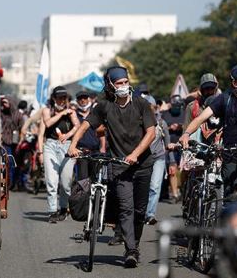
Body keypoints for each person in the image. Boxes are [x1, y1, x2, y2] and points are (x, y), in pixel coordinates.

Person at [68, 66, 156, 268]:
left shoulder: (142, 104)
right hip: (119, 166)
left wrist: (135, 154)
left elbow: (151, 133)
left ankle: (135, 243)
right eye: (119, 83)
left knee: (140, 211)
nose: (124, 86)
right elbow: (85, 125)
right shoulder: (104, 106)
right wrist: (73, 145)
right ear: (110, 85)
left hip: (143, 165)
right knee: (126, 208)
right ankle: (130, 250)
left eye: (126, 82)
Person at [181, 63, 237, 215]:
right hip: (231, 155)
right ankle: (228, 235)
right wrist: (186, 134)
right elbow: (201, 118)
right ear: (235, 83)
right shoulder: (224, 99)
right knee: (231, 200)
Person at [41, 86, 80, 223]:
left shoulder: (72, 112)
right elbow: (47, 122)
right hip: (50, 146)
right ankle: (52, 210)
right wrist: (61, 114)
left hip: (67, 146)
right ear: (54, 98)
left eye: (65, 98)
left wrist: (67, 135)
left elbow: (77, 126)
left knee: (66, 182)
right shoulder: (48, 110)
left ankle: (64, 208)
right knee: (52, 181)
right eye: (60, 98)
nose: (63, 101)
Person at [145, 96, 171, 225]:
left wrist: (171, 162)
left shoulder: (162, 123)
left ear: (155, 107)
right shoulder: (138, 122)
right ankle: (140, 212)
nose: (149, 108)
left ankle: (150, 214)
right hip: (142, 159)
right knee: (142, 186)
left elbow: (168, 144)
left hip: (158, 158)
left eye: (151, 106)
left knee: (154, 186)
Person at [73, 90, 106, 180]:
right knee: (83, 180)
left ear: (89, 99)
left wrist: (102, 148)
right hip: (81, 152)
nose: (83, 100)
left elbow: (101, 132)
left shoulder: (95, 113)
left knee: (96, 179)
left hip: (95, 151)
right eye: (80, 98)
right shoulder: (74, 115)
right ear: (77, 101)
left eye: (85, 98)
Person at [162, 94, 185, 202]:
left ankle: (183, 191)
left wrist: (181, 126)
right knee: (172, 169)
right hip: (169, 146)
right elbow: (160, 127)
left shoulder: (184, 113)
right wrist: (170, 127)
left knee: (184, 169)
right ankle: (175, 193)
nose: (176, 108)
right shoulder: (165, 115)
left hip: (183, 145)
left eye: (178, 106)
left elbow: (189, 125)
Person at [0, 96, 25, 190]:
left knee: (16, 163)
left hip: (16, 142)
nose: (4, 105)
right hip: (5, 141)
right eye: (3, 103)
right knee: (7, 162)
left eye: (6, 103)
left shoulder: (18, 115)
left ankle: (14, 182)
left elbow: (23, 128)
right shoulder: (2, 113)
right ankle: (7, 183)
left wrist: (21, 140)